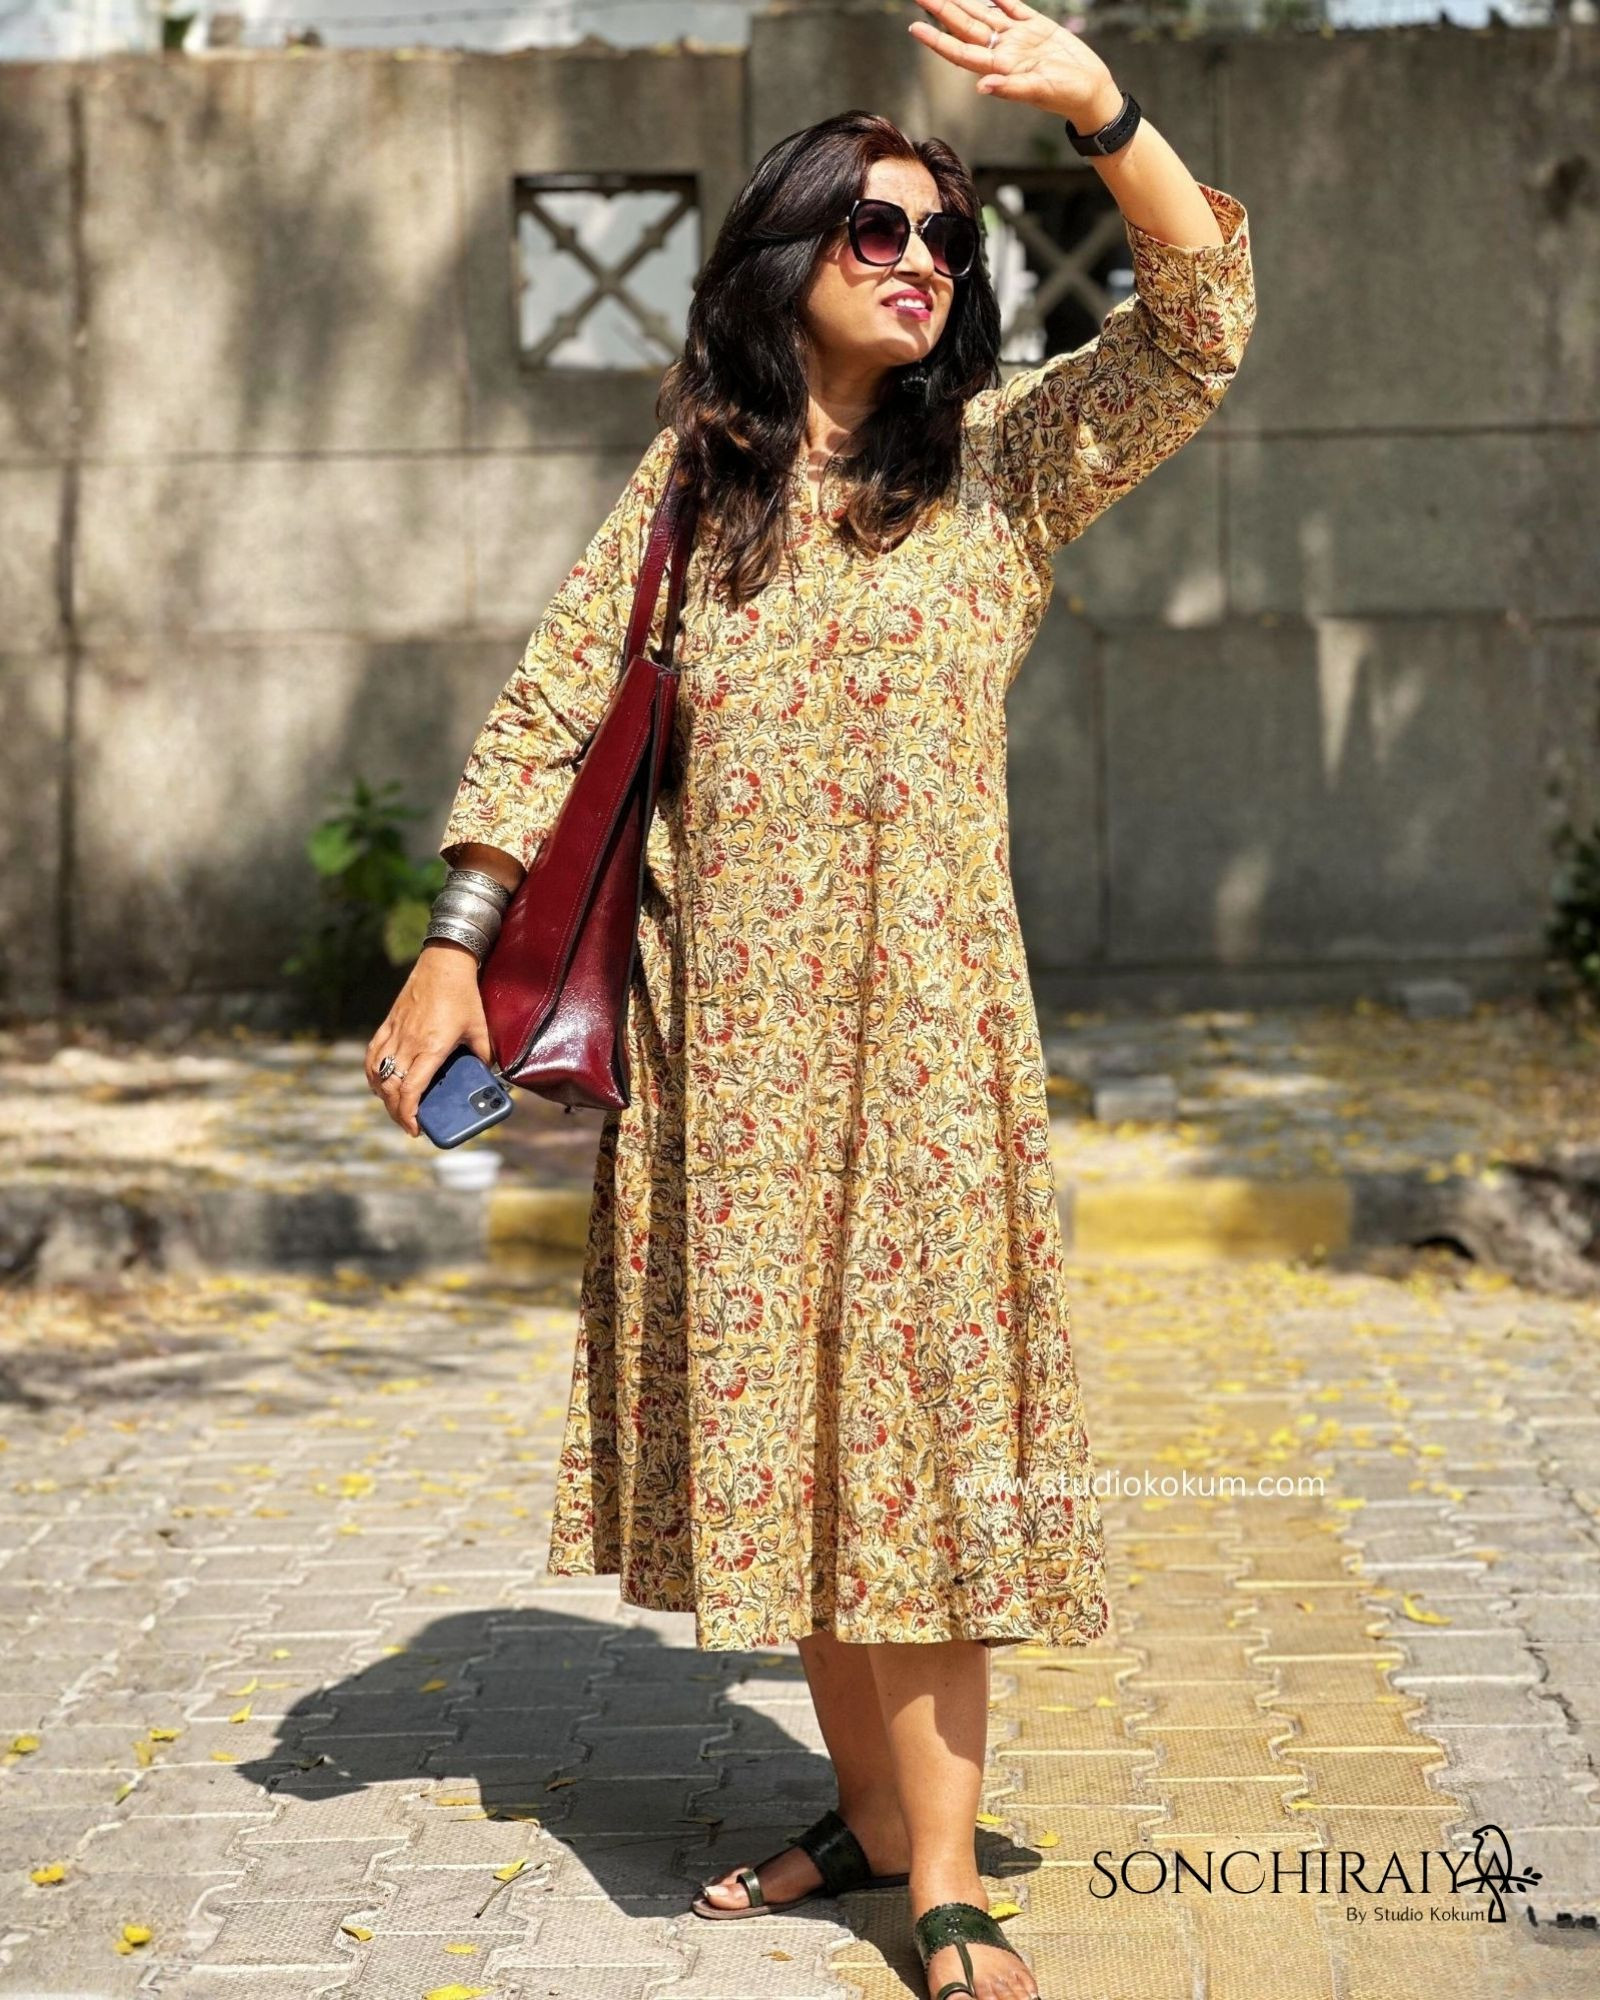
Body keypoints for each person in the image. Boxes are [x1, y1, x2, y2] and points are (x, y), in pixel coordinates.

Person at [366, 4, 1256, 1994]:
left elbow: (1199, 329)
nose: (918, 257)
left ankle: (943, 1881)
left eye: (943, 234)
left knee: (915, 1457)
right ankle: (865, 1817)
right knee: (812, 1455)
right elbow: (551, 709)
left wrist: (1099, 112)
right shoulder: (697, 489)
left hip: (927, 1063)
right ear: (786, 258)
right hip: (731, 1072)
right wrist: (452, 941)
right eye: (874, 226)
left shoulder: (1002, 470)